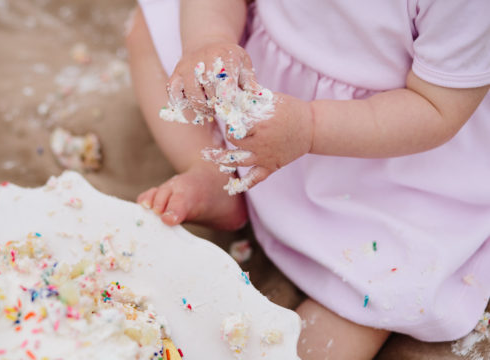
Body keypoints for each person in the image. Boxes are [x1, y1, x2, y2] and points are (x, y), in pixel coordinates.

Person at [126, 0, 490, 358]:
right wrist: (209, 42)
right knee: (152, 27)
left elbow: (436, 107)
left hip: (381, 156)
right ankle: (212, 170)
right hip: (255, 82)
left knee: (386, 288)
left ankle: (320, 329)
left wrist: (311, 127)